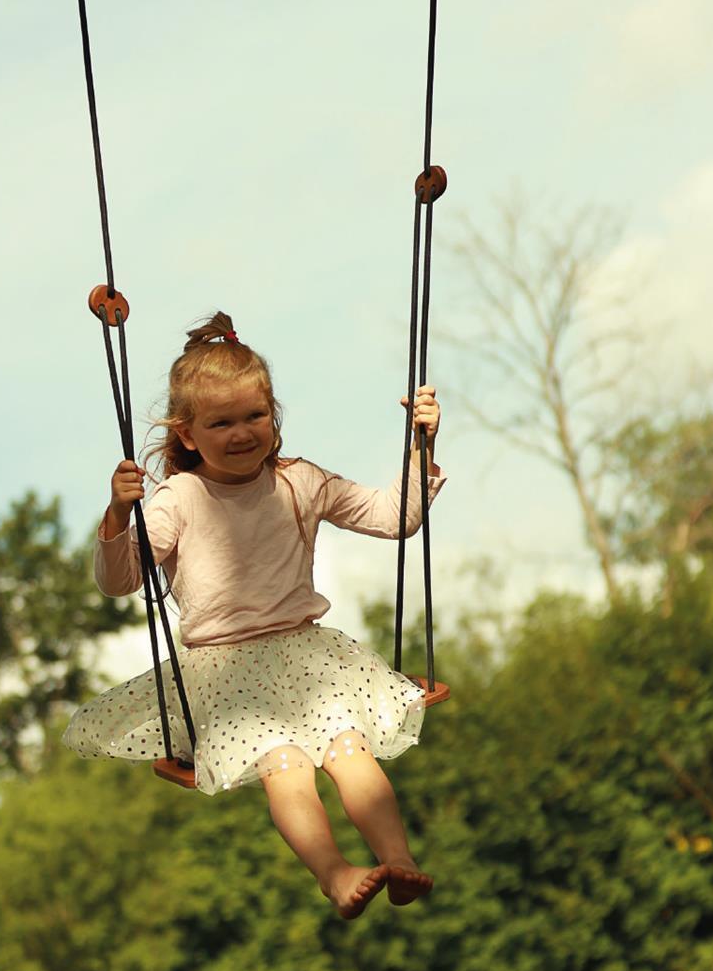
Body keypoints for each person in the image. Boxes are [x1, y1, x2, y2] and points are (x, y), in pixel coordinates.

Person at [62, 311, 447, 920]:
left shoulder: (301, 482)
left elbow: (395, 517)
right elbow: (120, 581)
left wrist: (422, 447)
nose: (242, 433)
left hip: (310, 656)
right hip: (224, 675)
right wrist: (116, 513)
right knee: (286, 765)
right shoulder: (178, 499)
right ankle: (336, 873)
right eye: (221, 422)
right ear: (188, 434)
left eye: (255, 417)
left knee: (351, 749)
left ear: (274, 417)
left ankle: (398, 860)